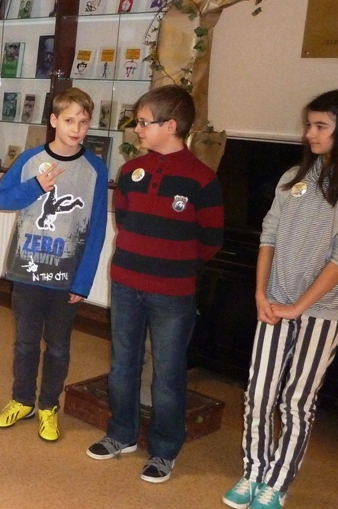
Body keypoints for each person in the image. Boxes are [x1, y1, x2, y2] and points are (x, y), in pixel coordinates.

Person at [85, 85, 224, 483]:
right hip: (126, 283)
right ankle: (121, 434)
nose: (138, 129)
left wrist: (175, 266)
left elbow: (211, 240)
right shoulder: (131, 171)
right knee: (123, 363)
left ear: (171, 126)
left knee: (168, 373)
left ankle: (164, 450)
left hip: (173, 292)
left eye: (145, 123)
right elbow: (125, 220)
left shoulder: (202, 179)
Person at [221, 89, 338, 509]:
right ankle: (253, 473)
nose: (310, 134)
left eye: (320, 126)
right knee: (258, 393)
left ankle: (276, 483)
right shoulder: (293, 178)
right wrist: (261, 294)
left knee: (296, 401)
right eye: (309, 125)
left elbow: (337, 260)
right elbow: (267, 237)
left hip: (321, 313)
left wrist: (298, 306)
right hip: (274, 305)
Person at [0, 87, 108, 442]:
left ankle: (48, 406)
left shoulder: (95, 168)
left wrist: (82, 282)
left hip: (65, 278)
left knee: (57, 347)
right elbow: (0, 199)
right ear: (54, 120)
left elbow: (97, 228)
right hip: (27, 271)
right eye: (69, 120)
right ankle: (22, 400)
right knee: (25, 343)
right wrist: (37, 186)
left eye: (83, 122)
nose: (76, 128)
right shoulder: (30, 159)